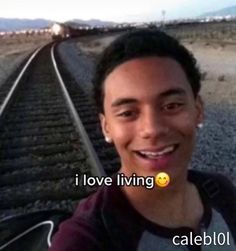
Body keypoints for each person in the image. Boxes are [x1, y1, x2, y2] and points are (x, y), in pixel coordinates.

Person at [49, 29, 236, 250]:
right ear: (106, 126)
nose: (152, 129)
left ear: (198, 110)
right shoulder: (87, 239)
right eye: (128, 113)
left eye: (171, 106)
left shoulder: (222, 193)